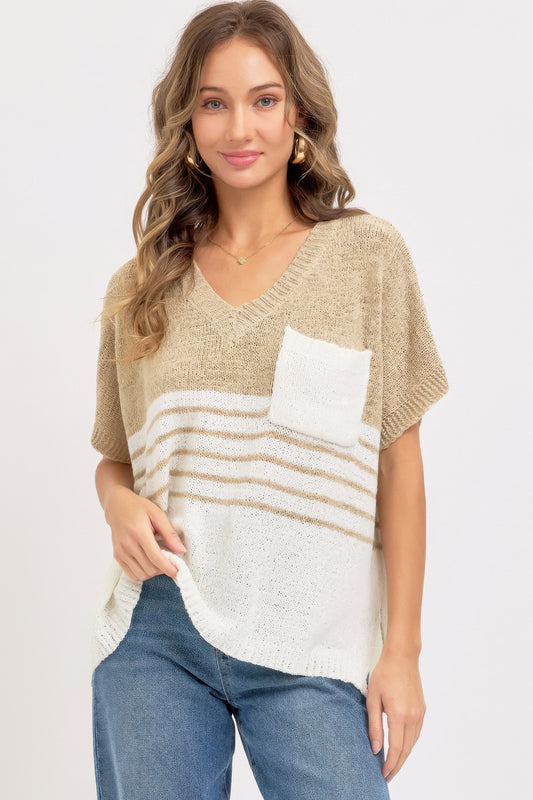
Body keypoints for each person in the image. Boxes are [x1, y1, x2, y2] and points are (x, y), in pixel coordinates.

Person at [89, 2, 449, 798]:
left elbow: (400, 462)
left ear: (299, 114)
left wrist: (401, 652)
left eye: (263, 99)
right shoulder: (140, 287)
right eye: (213, 103)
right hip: (158, 633)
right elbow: (116, 460)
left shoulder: (366, 258)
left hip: (308, 641)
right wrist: (117, 505)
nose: (239, 127)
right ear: (187, 124)